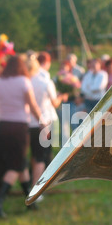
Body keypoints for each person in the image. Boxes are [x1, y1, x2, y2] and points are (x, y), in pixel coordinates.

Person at [0, 55, 43, 217]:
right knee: (16, 165)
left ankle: (30, 201)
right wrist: (42, 121)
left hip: (3, 126)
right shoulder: (23, 81)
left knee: (20, 163)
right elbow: (32, 105)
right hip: (20, 126)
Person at [29, 55, 68, 208]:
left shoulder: (28, 79)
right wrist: (62, 96)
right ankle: (37, 189)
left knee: (34, 155)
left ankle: (36, 183)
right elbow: (55, 103)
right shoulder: (46, 81)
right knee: (42, 156)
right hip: (45, 121)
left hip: (29, 121)